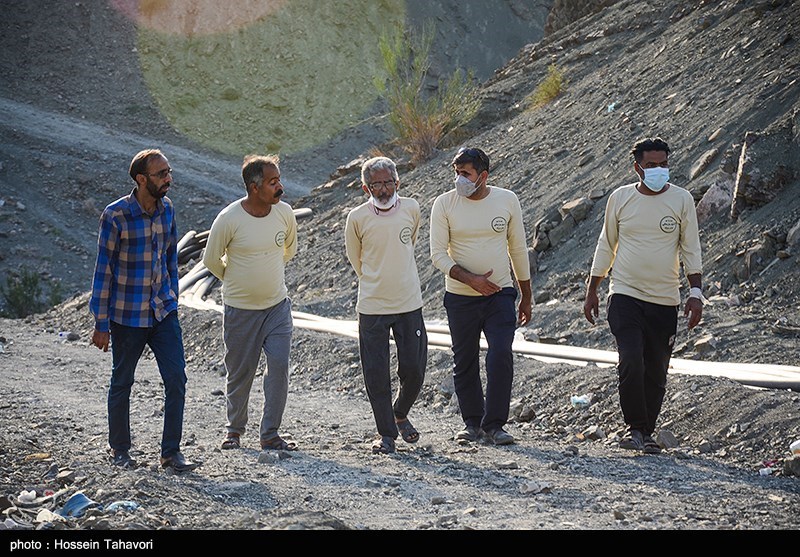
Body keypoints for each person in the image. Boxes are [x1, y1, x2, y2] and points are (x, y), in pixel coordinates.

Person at [583, 137, 703, 455]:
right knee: (631, 358)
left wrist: (696, 292)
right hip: (625, 293)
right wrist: (593, 289)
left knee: (657, 369)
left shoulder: (682, 199)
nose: (658, 170)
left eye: (663, 164)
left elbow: (691, 247)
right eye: (651, 165)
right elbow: (606, 244)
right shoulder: (620, 198)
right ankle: (635, 428)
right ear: (637, 168)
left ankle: (646, 433)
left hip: (665, 299)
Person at [90, 148, 199, 472]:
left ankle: (171, 453)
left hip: (163, 311)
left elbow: (170, 259)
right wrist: (101, 322)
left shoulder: (167, 209)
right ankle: (120, 450)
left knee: (176, 378)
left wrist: (173, 297)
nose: (168, 179)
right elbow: (103, 270)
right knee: (122, 381)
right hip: (127, 315)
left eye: (168, 172)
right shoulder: (116, 215)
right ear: (141, 179)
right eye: (161, 174)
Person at [430, 146, 532, 446]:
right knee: (464, 359)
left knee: (500, 354)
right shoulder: (444, 204)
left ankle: (495, 425)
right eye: (456, 173)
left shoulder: (507, 200)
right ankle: (472, 423)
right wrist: (471, 280)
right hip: (460, 297)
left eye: (466, 173)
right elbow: (437, 254)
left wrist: (526, 295)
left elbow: (517, 249)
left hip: (500, 294)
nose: (459, 179)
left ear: (483, 176)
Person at [203, 154, 298, 452]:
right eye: (272, 182)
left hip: (277, 307)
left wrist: (265, 273)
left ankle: (270, 433)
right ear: (254, 187)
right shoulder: (229, 218)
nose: (280, 187)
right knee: (240, 373)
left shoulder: (285, 213)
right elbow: (211, 260)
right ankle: (234, 430)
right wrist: (237, 281)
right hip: (240, 311)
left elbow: (289, 250)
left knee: (279, 366)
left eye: (279, 180)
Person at [344, 156, 428, 454]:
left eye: (388, 183)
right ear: (365, 188)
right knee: (376, 373)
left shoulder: (412, 208)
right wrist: (375, 280)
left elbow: (410, 243)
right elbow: (356, 259)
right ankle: (387, 434)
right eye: (376, 184)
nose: (383, 190)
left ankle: (400, 412)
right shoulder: (357, 217)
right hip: (372, 306)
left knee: (415, 369)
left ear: (398, 183)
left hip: (409, 302)